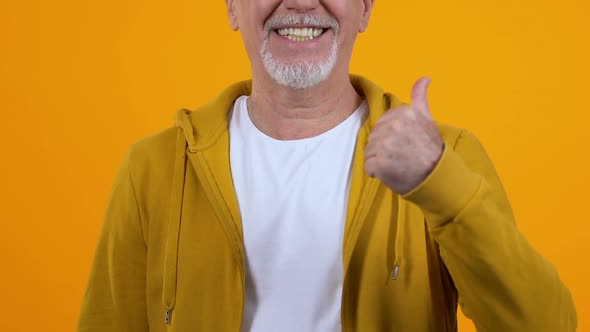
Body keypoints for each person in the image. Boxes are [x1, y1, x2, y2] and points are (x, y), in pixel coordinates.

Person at [77, 0, 577, 331]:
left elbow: (545, 325)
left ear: (364, 8)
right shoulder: (156, 166)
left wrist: (438, 182)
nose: (299, 1)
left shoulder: (445, 158)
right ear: (232, 6)